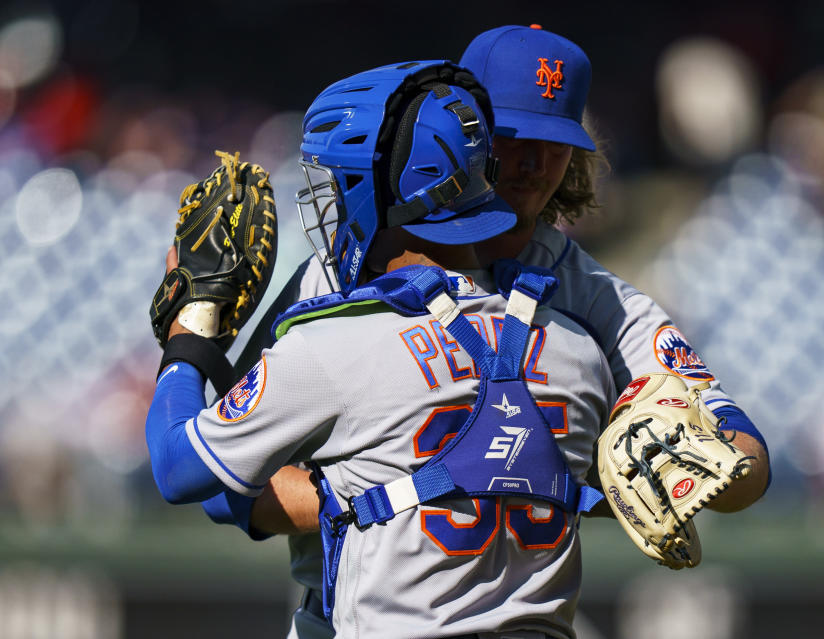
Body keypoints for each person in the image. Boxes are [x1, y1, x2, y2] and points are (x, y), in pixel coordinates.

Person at [226, 25, 770, 533]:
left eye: (556, 143)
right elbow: (218, 479)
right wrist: (381, 500)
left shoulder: (594, 298)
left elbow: (748, 458)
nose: (535, 163)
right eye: (513, 138)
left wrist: (655, 477)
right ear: (462, 132)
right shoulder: (345, 266)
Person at [147, 60, 618, 639]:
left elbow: (179, 471)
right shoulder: (580, 351)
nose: (333, 206)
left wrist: (190, 334)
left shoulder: (334, 346)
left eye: (340, 185)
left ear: (381, 191)